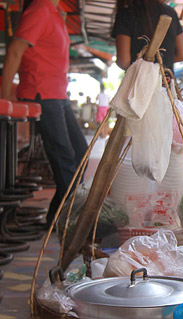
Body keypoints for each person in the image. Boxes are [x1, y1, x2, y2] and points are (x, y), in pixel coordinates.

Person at [1, 0, 88, 228]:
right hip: (41, 92)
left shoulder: (55, 12)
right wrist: (5, 95)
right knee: (66, 160)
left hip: (58, 95)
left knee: (80, 157)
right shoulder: (40, 8)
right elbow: (14, 50)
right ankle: (70, 222)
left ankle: (57, 219)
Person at [112, 0, 183, 71]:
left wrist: (147, 66)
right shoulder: (170, 12)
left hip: (139, 82)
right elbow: (182, 55)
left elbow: (123, 62)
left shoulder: (125, 14)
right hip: (165, 81)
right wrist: (159, 64)